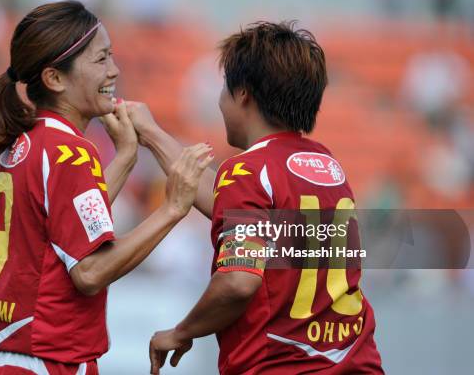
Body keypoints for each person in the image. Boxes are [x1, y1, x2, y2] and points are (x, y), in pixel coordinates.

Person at [127, 21, 384, 374]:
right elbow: (226, 203)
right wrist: (152, 133)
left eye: (223, 89)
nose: (219, 100)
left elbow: (238, 280)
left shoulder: (247, 170)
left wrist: (182, 331)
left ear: (243, 93)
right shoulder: (326, 166)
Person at [0, 0, 213, 375]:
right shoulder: (70, 151)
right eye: (101, 60)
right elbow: (88, 272)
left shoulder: (28, 142)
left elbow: (65, 227)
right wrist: (172, 208)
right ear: (55, 79)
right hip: (45, 362)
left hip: (8, 360)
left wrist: (125, 158)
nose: (114, 70)